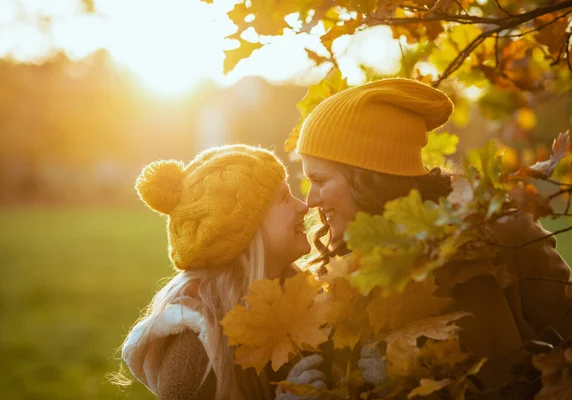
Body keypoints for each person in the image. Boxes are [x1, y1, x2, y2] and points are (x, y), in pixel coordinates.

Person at [295, 78, 572, 391]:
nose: (311, 200)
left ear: (369, 176)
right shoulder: (339, 272)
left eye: (320, 180)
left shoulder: (500, 230)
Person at [120, 144, 326, 400]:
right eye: (283, 198)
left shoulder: (310, 302)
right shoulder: (195, 355)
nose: (303, 206)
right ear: (245, 232)